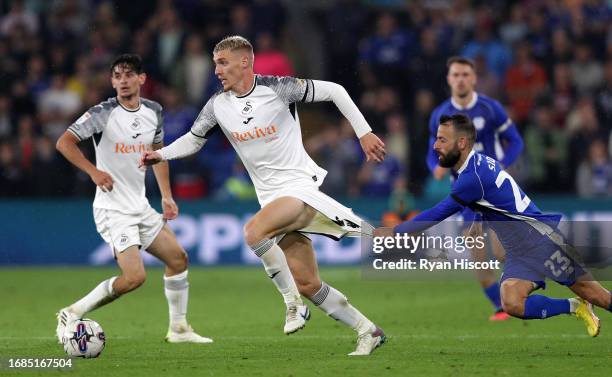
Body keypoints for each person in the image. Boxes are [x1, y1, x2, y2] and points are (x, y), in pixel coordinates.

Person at [140, 36, 386, 356]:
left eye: (223, 62)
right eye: (215, 63)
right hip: (270, 197)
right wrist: (162, 155)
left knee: (254, 231)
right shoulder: (217, 104)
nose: (216, 70)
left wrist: (363, 131)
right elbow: (194, 139)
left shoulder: (278, 88)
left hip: (298, 186)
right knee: (309, 283)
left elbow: (336, 90)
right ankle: (368, 330)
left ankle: (292, 305)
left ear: (245, 62)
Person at [386, 114, 610, 335]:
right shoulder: (479, 162)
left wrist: (396, 231)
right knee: (511, 302)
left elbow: (436, 214)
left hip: (542, 242)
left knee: (597, 295)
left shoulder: (470, 179)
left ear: (461, 142)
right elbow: (493, 198)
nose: (435, 146)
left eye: (442, 139)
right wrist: (477, 220)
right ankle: (575, 306)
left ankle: (586, 301)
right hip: (519, 251)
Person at [55, 54, 211, 344]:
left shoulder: (154, 110)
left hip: (140, 206)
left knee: (178, 259)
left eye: (129, 75)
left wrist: (166, 196)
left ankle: (178, 329)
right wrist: (93, 171)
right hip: (112, 208)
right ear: (112, 81)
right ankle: (72, 312)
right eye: (117, 75)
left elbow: (158, 153)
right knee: (134, 278)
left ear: (142, 79)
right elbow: (64, 142)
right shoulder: (102, 112)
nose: (123, 81)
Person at [427, 56, 524, 321]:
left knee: (503, 252)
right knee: (479, 259)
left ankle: (526, 285)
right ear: (449, 79)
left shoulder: (490, 109)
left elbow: (515, 141)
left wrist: (503, 164)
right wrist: (434, 165)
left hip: (494, 192)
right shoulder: (439, 114)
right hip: (466, 196)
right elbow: (430, 150)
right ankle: (501, 307)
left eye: (465, 75)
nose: (460, 79)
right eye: (455, 75)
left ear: (474, 78)